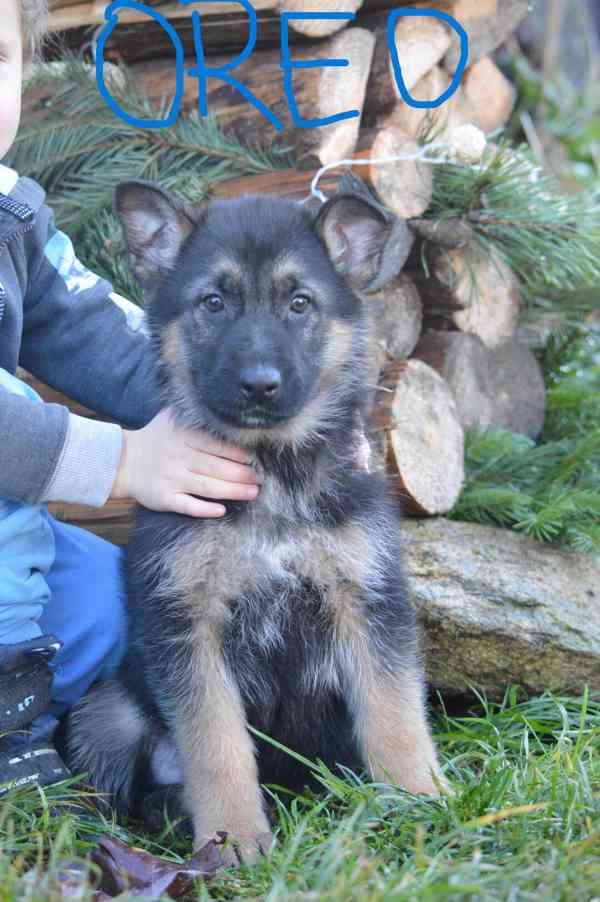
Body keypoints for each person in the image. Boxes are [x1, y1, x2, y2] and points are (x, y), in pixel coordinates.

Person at [0, 0, 262, 792]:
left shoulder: (9, 215)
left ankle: (78, 724)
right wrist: (121, 462)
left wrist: (237, 406)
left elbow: (98, 331)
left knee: (113, 605)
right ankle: (11, 738)